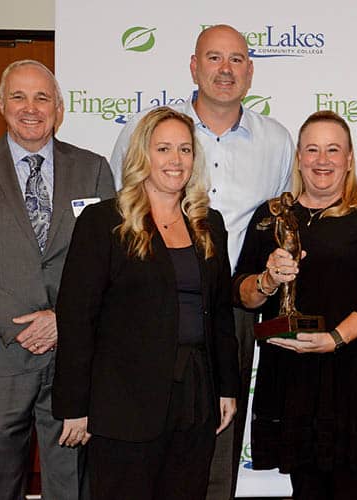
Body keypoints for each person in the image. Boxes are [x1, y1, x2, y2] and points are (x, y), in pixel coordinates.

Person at [110, 24, 293, 499]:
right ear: (193, 66)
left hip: (231, 308)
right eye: (214, 58)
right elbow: (119, 212)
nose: (225, 70)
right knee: (141, 446)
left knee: (218, 436)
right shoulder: (147, 131)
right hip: (148, 308)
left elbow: (280, 223)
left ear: (250, 71)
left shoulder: (276, 141)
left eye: (236, 60)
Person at [52, 107, 239, 499]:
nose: (176, 160)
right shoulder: (105, 222)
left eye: (185, 150)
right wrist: (75, 404)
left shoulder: (209, 224)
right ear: (142, 156)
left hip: (194, 399)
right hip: (122, 404)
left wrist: (226, 388)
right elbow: (76, 317)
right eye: (164, 149)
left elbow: (219, 314)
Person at [232, 110, 357, 500]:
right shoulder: (272, 215)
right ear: (298, 158)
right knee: (304, 491)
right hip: (292, 378)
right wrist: (267, 280)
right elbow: (241, 293)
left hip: (351, 379)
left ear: (349, 159)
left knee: (348, 490)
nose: (322, 160)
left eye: (333, 150)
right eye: (312, 149)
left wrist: (335, 338)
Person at [0, 59, 115, 500]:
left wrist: (63, 318)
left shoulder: (93, 169)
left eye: (42, 97)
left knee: (71, 485)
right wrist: (15, 325)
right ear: (2, 105)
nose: (31, 108)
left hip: (72, 360)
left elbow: (112, 260)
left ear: (59, 108)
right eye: (19, 96)